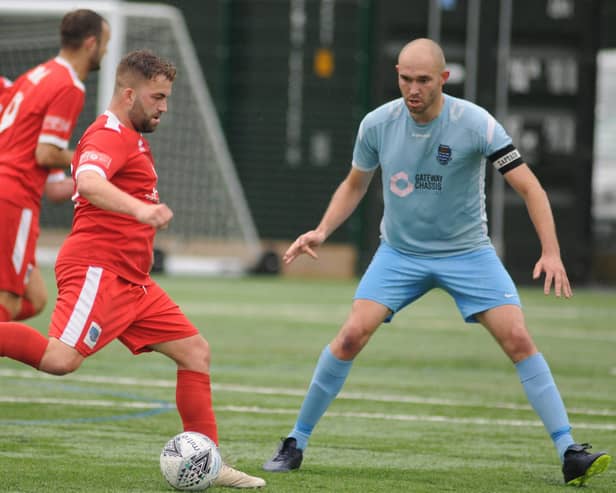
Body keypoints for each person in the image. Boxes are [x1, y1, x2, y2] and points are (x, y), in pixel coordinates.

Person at [263, 38, 611, 486]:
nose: (413, 89)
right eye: (405, 79)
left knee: (519, 338)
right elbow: (354, 184)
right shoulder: (377, 124)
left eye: (423, 80)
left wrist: (551, 251)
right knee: (350, 335)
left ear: (443, 79)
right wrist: (322, 230)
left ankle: (569, 451)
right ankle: (295, 441)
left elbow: (530, 187)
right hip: (400, 254)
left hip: (468, 254)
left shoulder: (475, 123)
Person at [0, 49, 266, 489]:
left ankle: (209, 462)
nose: (164, 106)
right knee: (60, 359)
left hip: (133, 280)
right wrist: (141, 212)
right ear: (129, 94)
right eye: (158, 97)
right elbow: (88, 182)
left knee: (195, 352)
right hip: (98, 271)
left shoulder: (131, 138)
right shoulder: (108, 135)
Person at [0, 9, 110, 324]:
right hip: (12, 197)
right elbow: (46, 154)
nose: (104, 50)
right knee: (7, 297)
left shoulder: (36, 75)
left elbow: (53, 186)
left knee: (35, 299)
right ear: (91, 43)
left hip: (10, 189)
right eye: (105, 43)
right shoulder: (70, 86)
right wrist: (90, 157)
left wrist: (101, 180)